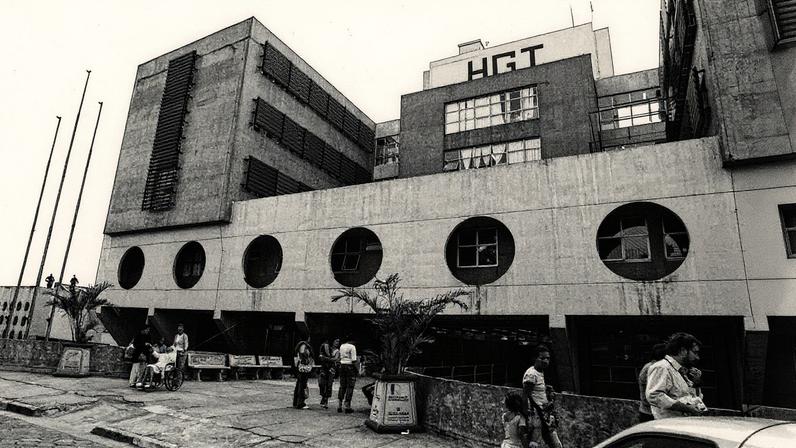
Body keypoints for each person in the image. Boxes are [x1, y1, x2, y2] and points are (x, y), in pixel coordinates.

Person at [646, 332, 707, 419]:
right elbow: (654, 395)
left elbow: (688, 397)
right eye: (695, 352)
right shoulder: (662, 367)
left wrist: (696, 384)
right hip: (668, 424)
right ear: (683, 351)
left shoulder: (682, 370)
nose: (697, 357)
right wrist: (686, 408)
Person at [522, 345, 563, 448]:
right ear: (535, 358)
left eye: (548, 358)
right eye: (542, 358)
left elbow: (536, 391)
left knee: (555, 444)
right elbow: (525, 395)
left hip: (545, 414)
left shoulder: (540, 372)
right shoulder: (531, 374)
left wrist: (546, 389)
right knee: (534, 444)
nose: (546, 361)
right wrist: (527, 417)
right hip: (537, 416)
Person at [638, 343, 667, 423]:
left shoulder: (653, 366)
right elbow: (654, 393)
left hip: (651, 412)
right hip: (650, 413)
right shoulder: (653, 368)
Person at [337, 336, 358, 413]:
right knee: (350, 386)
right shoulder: (352, 347)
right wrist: (357, 370)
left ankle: (339, 405)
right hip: (350, 366)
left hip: (342, 366)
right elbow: (354, 360)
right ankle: (347, 406)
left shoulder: (342, 346)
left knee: (342, 386)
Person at [317, 337, 339, 409]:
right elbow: (321, 357)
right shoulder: (326, 347)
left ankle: (325, 400)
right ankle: (323, 396)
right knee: (321, 383)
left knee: (329, 385)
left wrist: (325, 358)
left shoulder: (337, 351)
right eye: (336, 341)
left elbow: (335, 359)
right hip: (324, 368)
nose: (337, 343)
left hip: (332, 369)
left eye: (338, 342)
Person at [293, 341, 314, 409]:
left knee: (299, 385)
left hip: (300, 368)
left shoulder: (300, 345)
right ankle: (300, 403)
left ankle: (296, 402)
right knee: (302, 385)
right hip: (303, 369)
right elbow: (303, 354)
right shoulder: (304, 345)